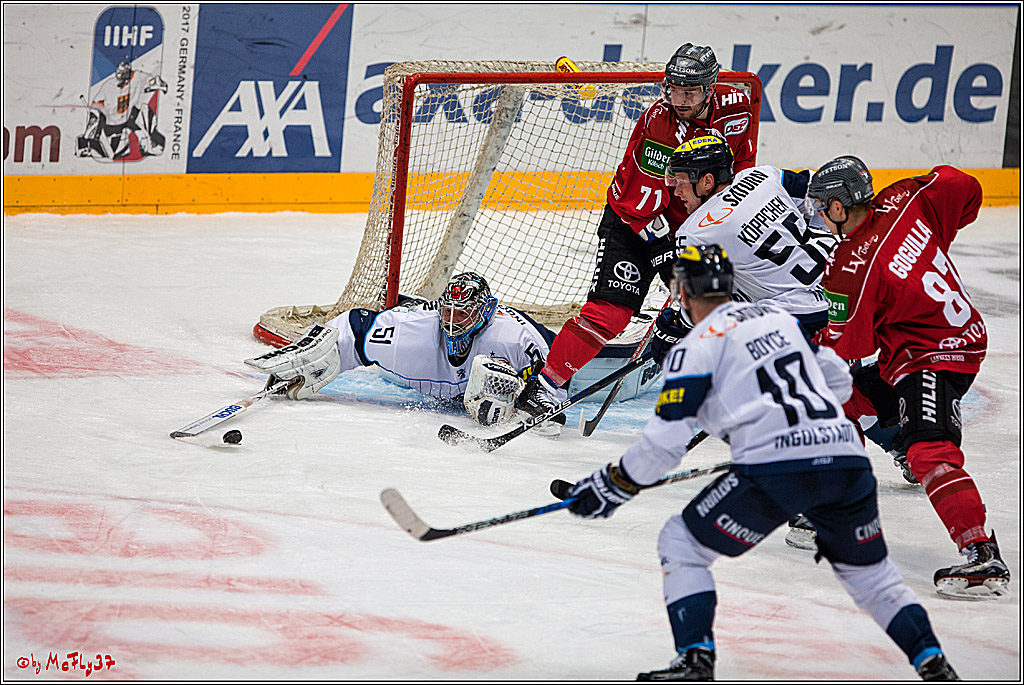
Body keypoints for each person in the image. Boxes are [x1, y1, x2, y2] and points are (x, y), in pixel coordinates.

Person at [565, 245, 960, 681]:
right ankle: (934, 664)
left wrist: (611, 486)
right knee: (872, 578)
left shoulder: (693, 349)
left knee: (681, 543)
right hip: (847, 459)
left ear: (684, 293)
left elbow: (663, 448)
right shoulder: (778, 319)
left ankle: (695, 660)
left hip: (778, 467)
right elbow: (837, 379)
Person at [806, 156, 1010, 600]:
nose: (819, 216)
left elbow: (846, 346)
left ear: (840, 207)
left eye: (822, 207)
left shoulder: (848, 266)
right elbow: (963, 185)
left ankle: (981, 554)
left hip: (932, 355)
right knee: (846, 403)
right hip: (949, 335)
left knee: (927, 450)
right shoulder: (904, 198)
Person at [521, 43, 757, 418]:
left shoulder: (737, 107)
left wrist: (722, 223)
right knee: (610, 314)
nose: (680, 100)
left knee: (710, 307)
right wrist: (668, 257)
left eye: (690, 92)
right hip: (635, 223)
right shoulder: (660, 125)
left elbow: (741, 168)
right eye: (673, 90)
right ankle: (545, 387)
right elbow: (640, 204)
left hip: (695, 224)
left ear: (710, 88)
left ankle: (721, 388)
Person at [244, 272, 567, 429]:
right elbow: (355, 328)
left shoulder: (514, 336)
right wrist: (319, 358)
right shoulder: (414, 332)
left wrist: (534, 398)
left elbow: (558, 366)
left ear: (484, 312)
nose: (451, 323)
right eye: (447, 312)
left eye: (462, 314)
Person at [78, 61, 167, 160]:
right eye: (118, 75)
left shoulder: (137, 77)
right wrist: (95, 117)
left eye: (122, 76)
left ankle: (152, 142)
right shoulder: (109, 85)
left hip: (129, 117)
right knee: (114, 153)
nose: (118, 79)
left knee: (144, 109)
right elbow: (96, 104)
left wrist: (158, 84)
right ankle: (85, 145)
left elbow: (152, 80)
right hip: (113, 123)